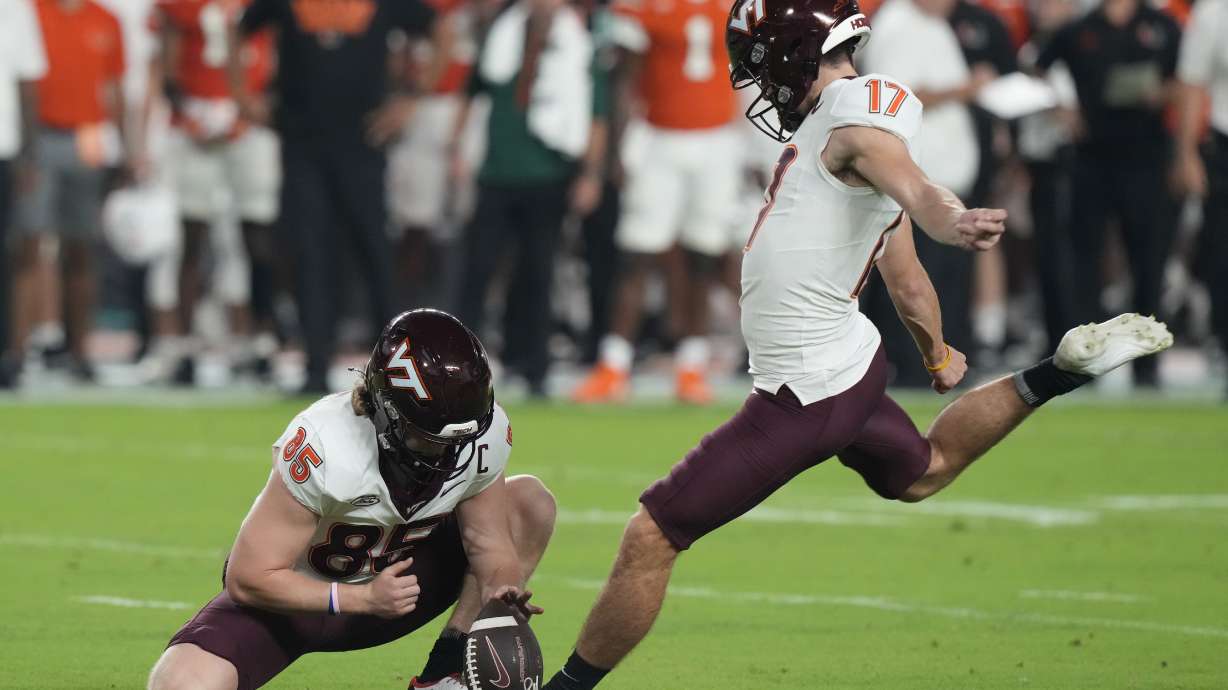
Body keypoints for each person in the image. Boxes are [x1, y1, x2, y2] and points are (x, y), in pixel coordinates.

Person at [540, 1, 1172, 687]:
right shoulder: (839, 125)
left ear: (793, 53)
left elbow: (916, 190)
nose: (758, 82)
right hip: (847, 365)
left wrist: (950, 220)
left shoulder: (853, 122)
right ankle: (1058, 372)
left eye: (760, 64)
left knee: (652, 535)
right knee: (924, 469)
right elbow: (902, 274)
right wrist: (935, 350)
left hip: (801, 395)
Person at [147, 309, 557, 690]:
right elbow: (247, 577)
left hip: (404, 586)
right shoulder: (327, 444)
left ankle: (446, 671)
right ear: (388, 411)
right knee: (181, 681)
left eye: (459, 437)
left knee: (529, 502)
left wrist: (501, 589)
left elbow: (490, 543)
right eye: (430, 437)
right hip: (298, 606)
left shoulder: (474, 435)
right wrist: (362, 598)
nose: (450, 452)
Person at [232, 0, 442, 394]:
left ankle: (399, 375)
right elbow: (238, 27)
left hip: (362, 142)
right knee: (309, 256)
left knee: (375, 256)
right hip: (302, 143)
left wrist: (414, 96)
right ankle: (315, 369)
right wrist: (242, 94)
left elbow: (439, 29)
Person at [571, 0, 741, 405]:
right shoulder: (642, 6)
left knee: (704, 254)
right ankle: (614, 365)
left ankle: (691, 364)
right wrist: (618, 148)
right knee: (637, 255)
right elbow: (624, 78)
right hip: (657, 137)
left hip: (718, 139)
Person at [453, 0, 600, 398]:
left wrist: (590, 172)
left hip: (548, 172)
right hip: (496, 171)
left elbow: (595, 111)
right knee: (478, 269)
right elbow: (475, 90)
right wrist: (458, 147)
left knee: (538, 273)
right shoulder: (501, 32)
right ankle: (459, 366)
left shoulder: (578, 42)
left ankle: (533, 365)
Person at [1036, 0, 1182, 388]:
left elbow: (1189, 78)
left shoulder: (1163, 25)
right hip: (1092, 159)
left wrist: (1164, 92)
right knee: (1085, 262)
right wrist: (1061, 109)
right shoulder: (1079, 28)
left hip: (1147, 157)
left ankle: (1147, 364)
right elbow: (1034, 67)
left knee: (1149, 262)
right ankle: (1086, 362)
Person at [149, 0, 280, 383]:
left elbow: (278, 58)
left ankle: (261, 340)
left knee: (258, 235)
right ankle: (183, 345)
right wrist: (189, 114)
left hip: (249, 121)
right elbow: (168, 68)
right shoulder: (183, 7)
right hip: (197, 117)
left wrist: (250, 109)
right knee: (192, 237)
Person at [10, 0, 130, 383]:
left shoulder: (106, 20)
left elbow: (114, 89)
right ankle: (18, 349)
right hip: (40, 134)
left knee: (82, 248)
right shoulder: (32, 12)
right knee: (28, 243)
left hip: (87, 139)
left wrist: (126, 149)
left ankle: (79, 351)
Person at [1173, 0, 1228, 400]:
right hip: (1224, 144)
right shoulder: (1212, 13)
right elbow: (1192, 83)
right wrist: (1187, 152)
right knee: (1222, 255)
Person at [0, 0, 48, 388]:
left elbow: (28, 84)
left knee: (6, 254)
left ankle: (5, 352)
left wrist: (30, 155)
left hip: (3, 148)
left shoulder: (16, 8)